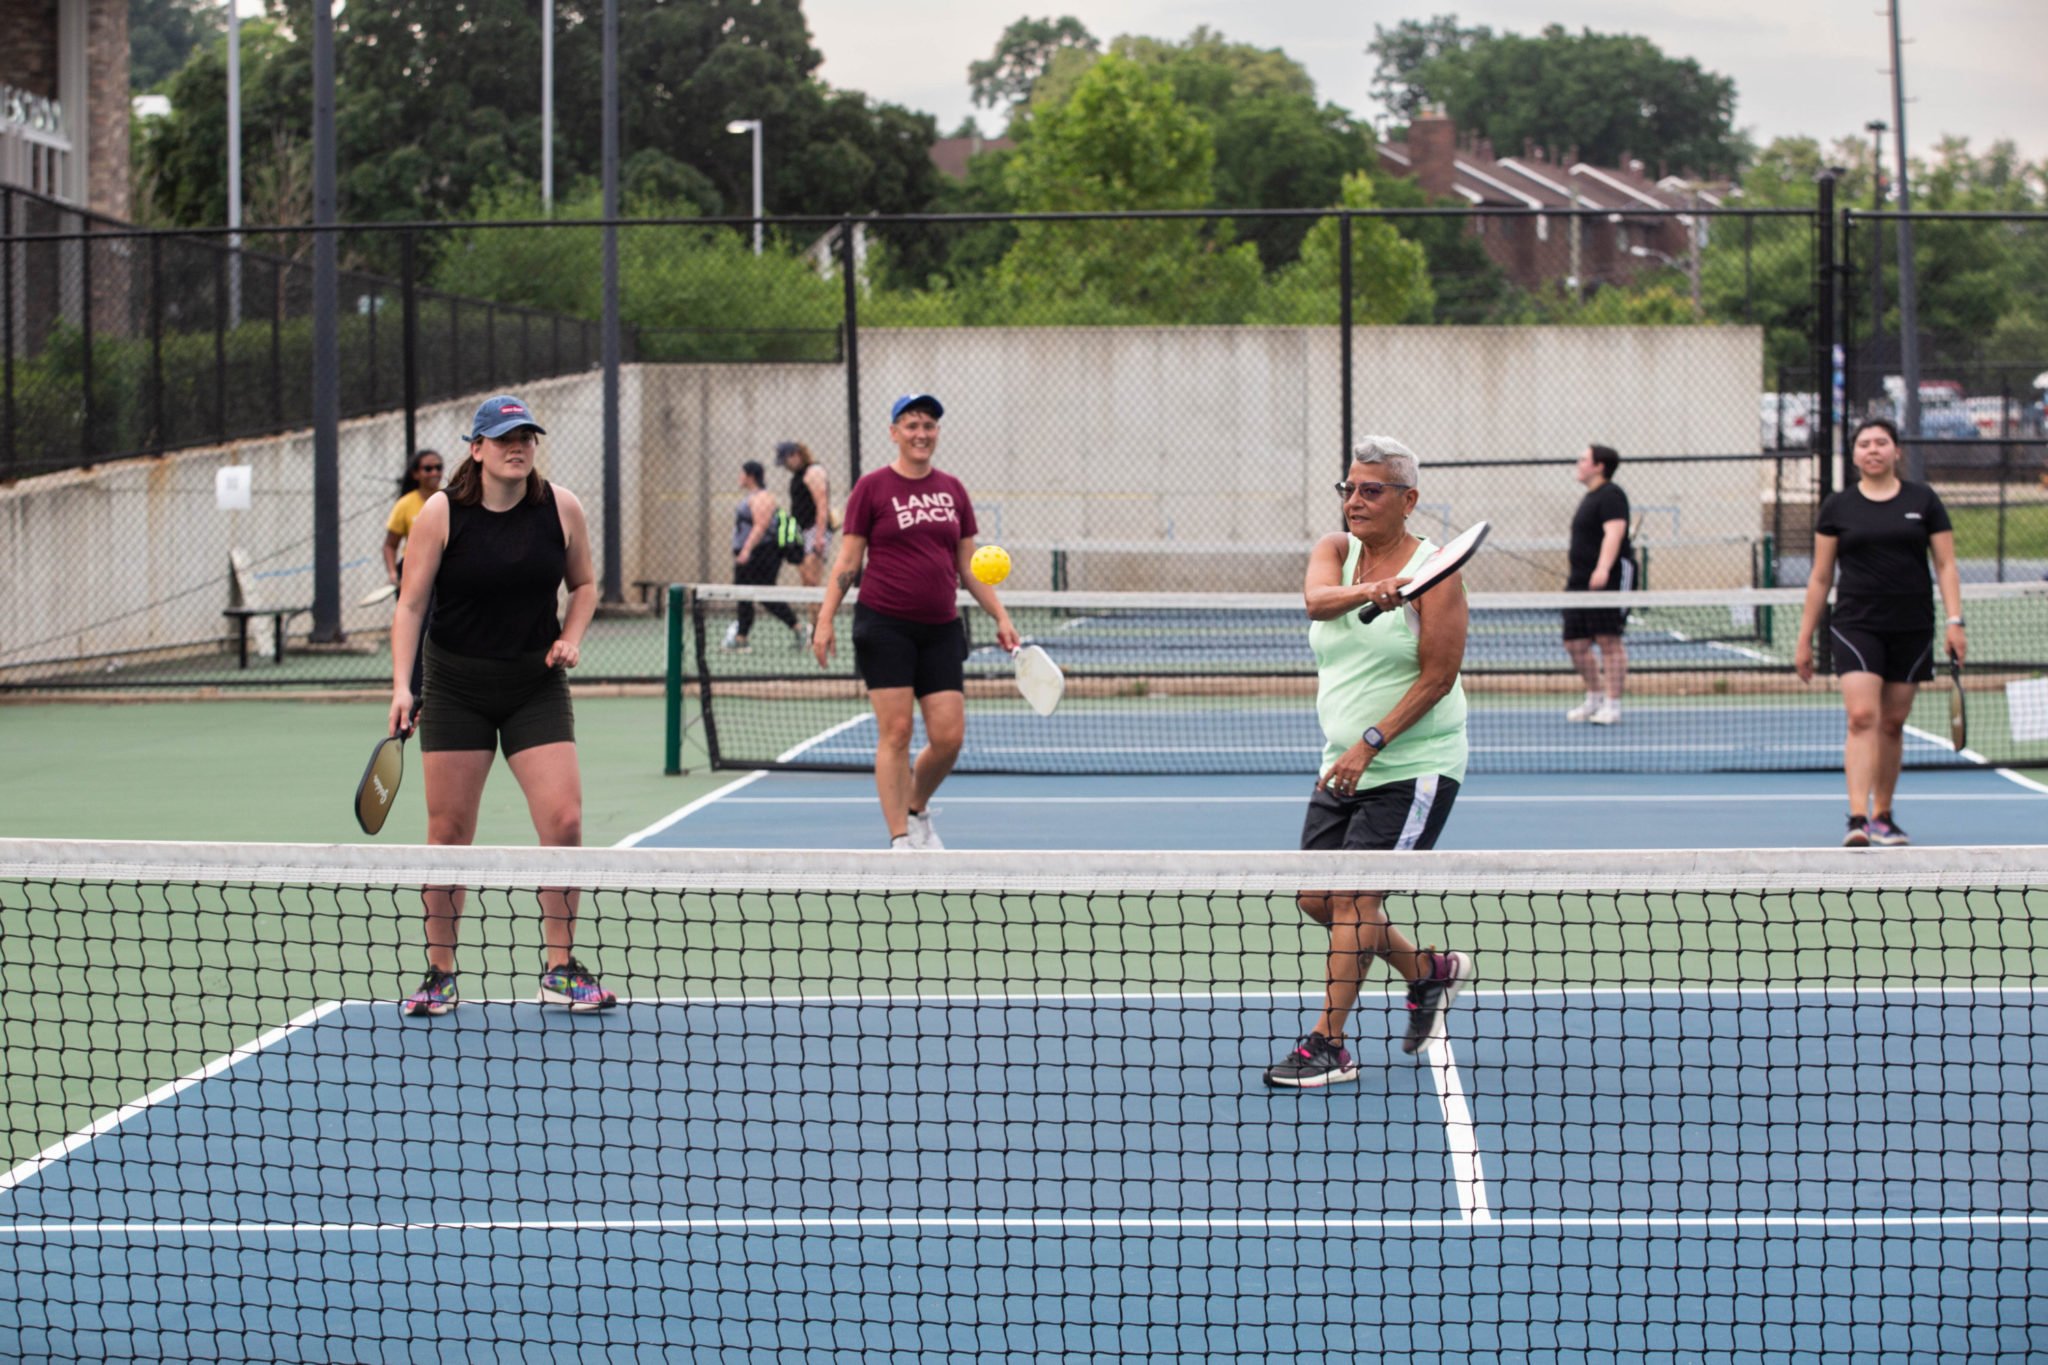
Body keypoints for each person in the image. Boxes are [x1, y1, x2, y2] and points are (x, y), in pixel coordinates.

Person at [388, 394, 615, 1017]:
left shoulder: (560, 508)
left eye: (528, 436)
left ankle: (560, 968)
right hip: (456, 685)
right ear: (477, 448)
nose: (519, 446)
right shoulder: (441, 513)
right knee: (449, 834)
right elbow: (410, 606)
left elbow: (587, 585)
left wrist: (571, 636)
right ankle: (439, 973)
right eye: (506, 437)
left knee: (564, 823)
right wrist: (403, 686)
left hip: (533, 685)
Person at [1265, 437, 1475, 1087]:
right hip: (1341, 760)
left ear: (1408, 501)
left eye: (1371, 489)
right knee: (1315, 898)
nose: (1355, 500)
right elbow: (1316, 599)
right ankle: (1427, 972)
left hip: (1412, 762)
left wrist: (1372, 742)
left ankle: (1329, 1044)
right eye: (1349, 488)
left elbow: (1439, 677)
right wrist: (1378, 588)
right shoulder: (1335, 550)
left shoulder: (1437, 574)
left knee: (1357, 895)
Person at [812, 394, 1020, 850]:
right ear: (894, 432)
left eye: (928, 425)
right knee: (897, 732)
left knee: (948, 737)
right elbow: (848, 559)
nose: (921, 433)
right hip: (884, 625)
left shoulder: (953, 490)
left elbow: (968, 566)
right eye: (911, 425)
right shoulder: (872, 487)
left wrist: (1000, 615)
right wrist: (824, 619)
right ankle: (900, 840)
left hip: (942, 627)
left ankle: (915, 808)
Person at [1794, 416, 1966, 847]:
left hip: (1912, 625)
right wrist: (1804, 637)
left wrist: (1955, 621)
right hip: (1856, 624)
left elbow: (1945, 565)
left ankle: (1883, 815)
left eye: (1881, 442)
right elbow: (1820, 576)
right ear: (1854, 456)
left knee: (1892, 723)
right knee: (1862, 717)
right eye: (1865, 444)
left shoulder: (1923, 500)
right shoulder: (1837, 507)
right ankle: (1856, 819)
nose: (1873, 449)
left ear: (1896, 451)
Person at [1561, 443, 1635, 725]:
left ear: (1599, 466)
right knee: (1574, 643)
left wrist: (1603, 569)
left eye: (1584, 459)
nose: (1578, 464)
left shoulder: (1611, 495)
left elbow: (1615, 532)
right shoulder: (1589, 497)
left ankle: (1612, 705)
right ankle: (1594, 698)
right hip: (1579, 581)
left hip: (1608, 579)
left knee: (1608, 641)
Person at [723, 459, 805, 652]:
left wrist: (746, 550)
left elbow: (761, 526)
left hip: (762, 554)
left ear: (750, 476)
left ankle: (798, 629)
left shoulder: (762, 498)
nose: (739, 477)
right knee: (744, 594)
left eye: (742, 473)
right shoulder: (752, 496)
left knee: (763, 594)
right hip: (754, 554)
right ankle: (741, 636)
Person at [777, 441, 835, 593]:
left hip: (814, 530)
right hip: (801, 531)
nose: (785, 466)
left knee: (812, 580)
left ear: (796, 455)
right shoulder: (798, 475)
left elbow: (822, 504)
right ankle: (814, 617)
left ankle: (821, 617)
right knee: (807, 582)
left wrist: (819, 536)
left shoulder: (813, 472)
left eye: (786, 461)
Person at [382, 449, 444, 591]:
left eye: (438, 468)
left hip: (443, 568)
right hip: (412, 570)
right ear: (416, 474)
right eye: (428, 469)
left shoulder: (450, 499)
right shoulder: (404, 504)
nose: (434, 472)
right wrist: (393, 574)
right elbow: (390, 545)